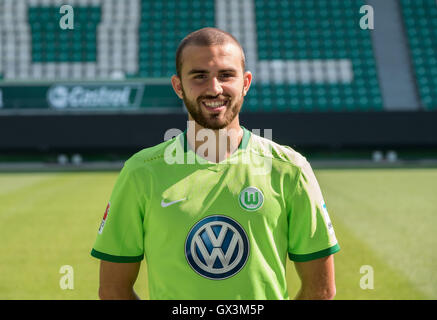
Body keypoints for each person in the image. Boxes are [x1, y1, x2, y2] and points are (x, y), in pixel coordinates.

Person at [91, 27, 340, 300]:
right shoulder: (141, 172)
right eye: (199, 76)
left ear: (245, 83)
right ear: (178, 86)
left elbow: (321, 290)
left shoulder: (290, 169)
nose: (214, 88)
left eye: (226, 75)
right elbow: (114, 290)